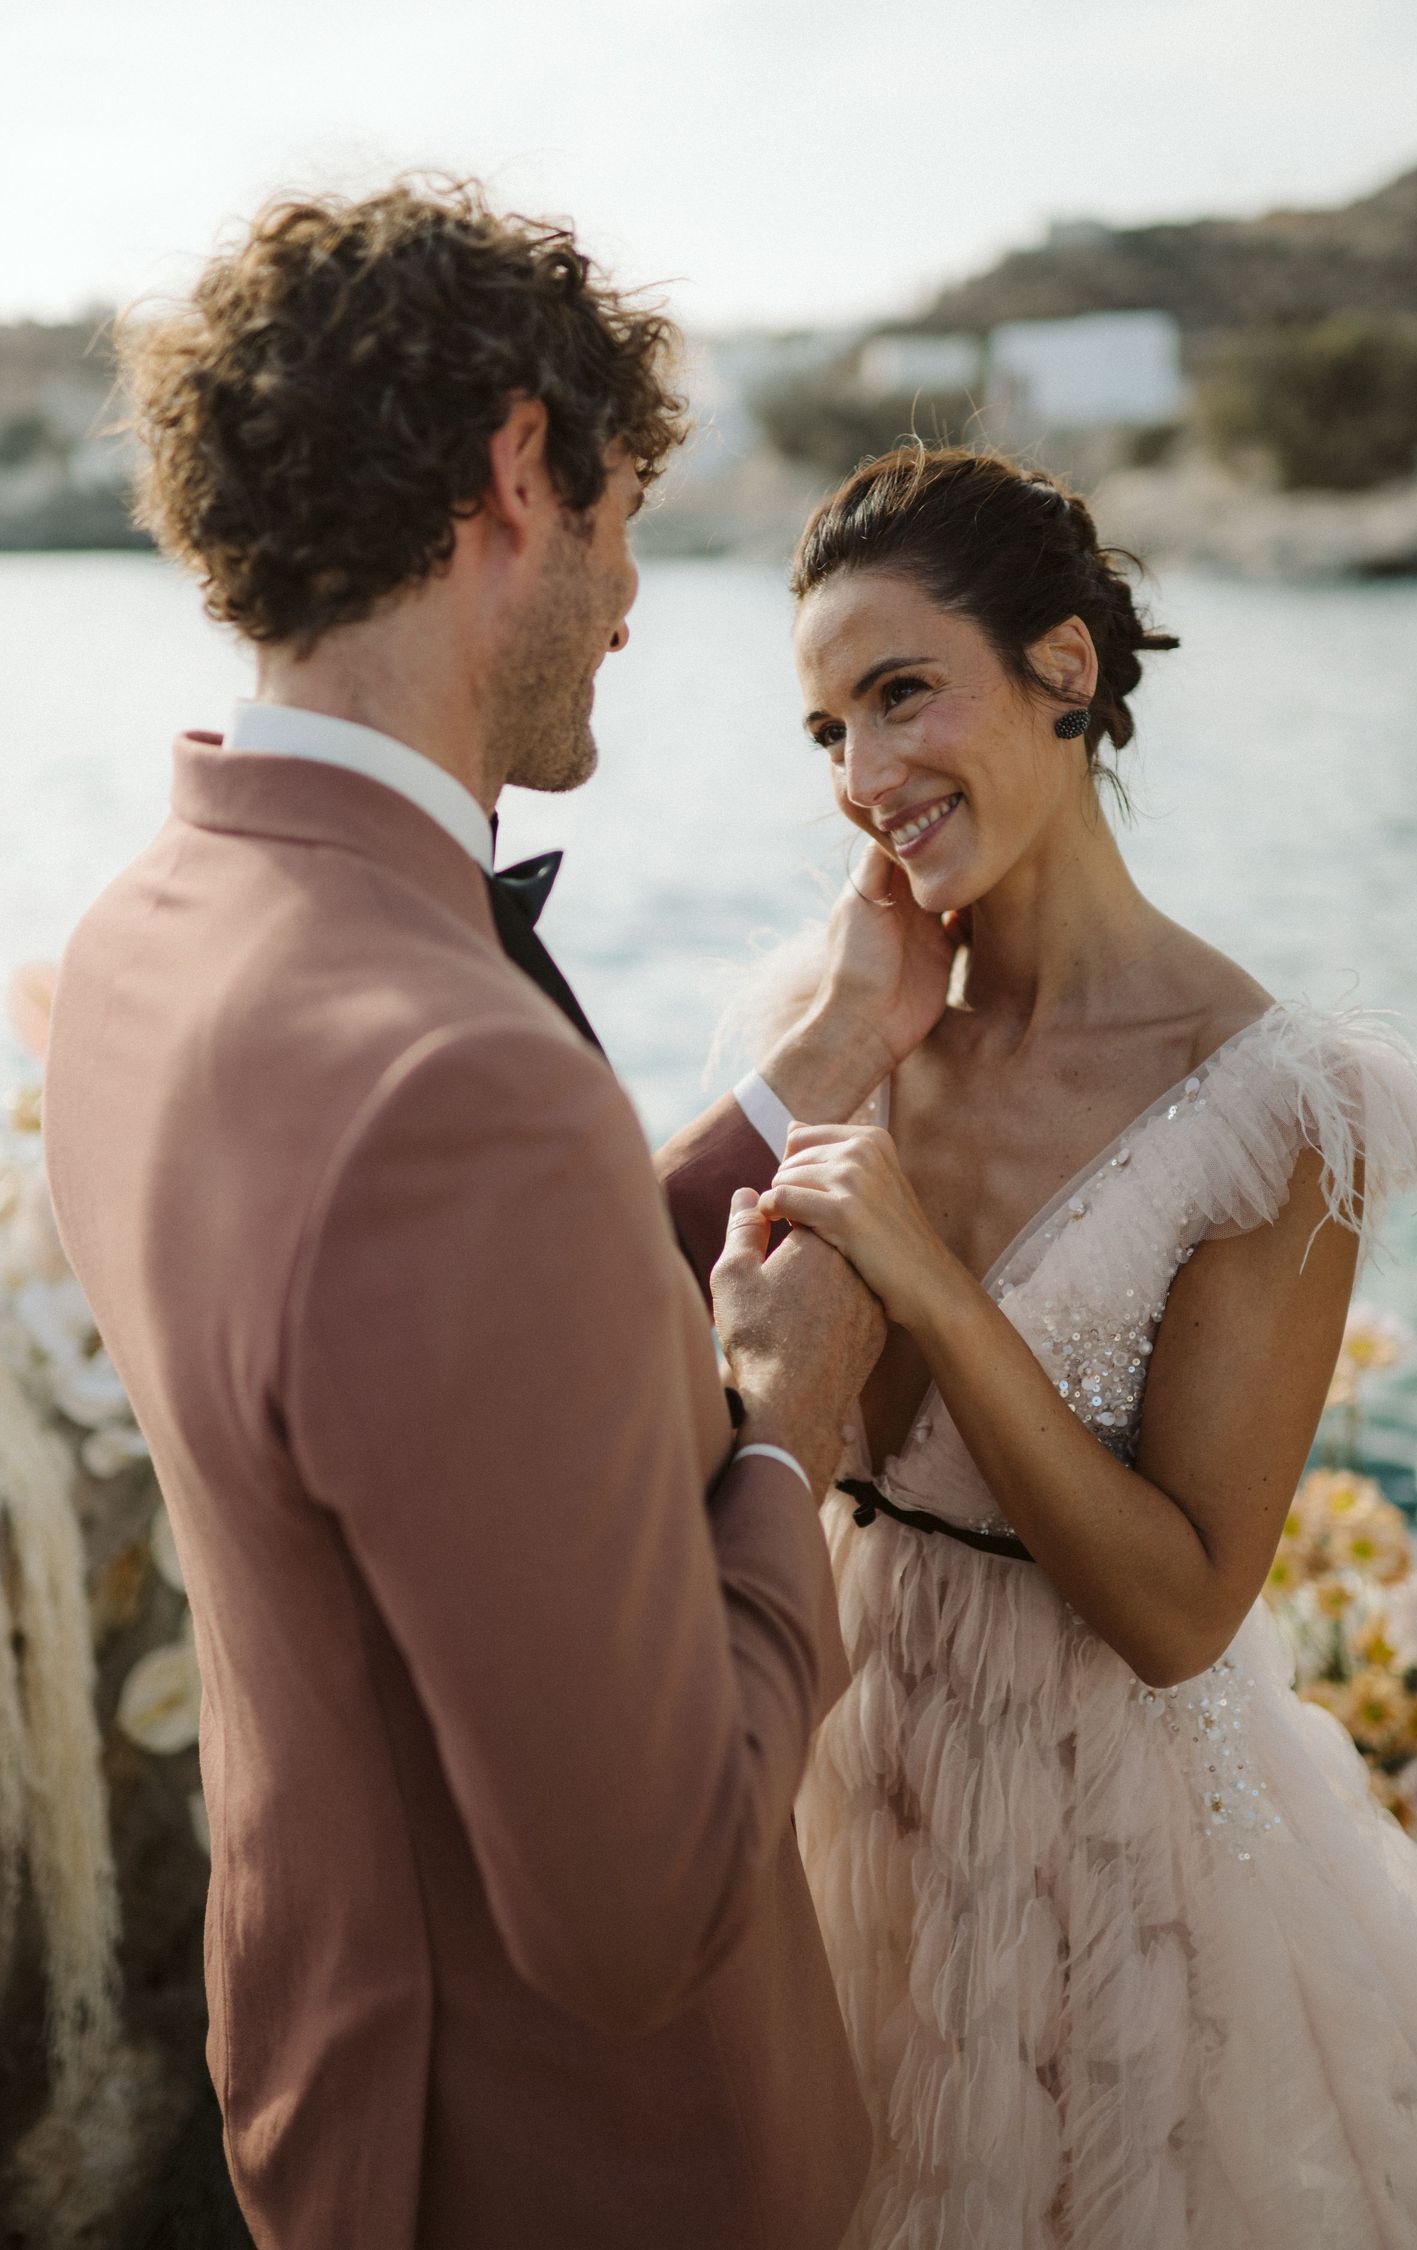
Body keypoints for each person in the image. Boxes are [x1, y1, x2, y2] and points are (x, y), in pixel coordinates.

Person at [42, 182, 883, 2250]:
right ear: (520, 476)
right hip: (571, 2169)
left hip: (331, 2080)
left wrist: (814, 1072)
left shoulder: (142, 935)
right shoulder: (449, 1084)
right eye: (618, 528)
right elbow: (645, 1909)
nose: (627, 601)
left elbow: (414, 1362)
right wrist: (790, 1427)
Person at [659, 446, 1417, 2249]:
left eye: (901, 696)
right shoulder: (831, 1034)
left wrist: (936, 1291)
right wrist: (838, 1052)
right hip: (812, 1777)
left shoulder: (1280, 1106)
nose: (866, 779)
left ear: (1065, 668)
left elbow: (1187, 1608)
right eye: (826, 733)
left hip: (1093, 1847)